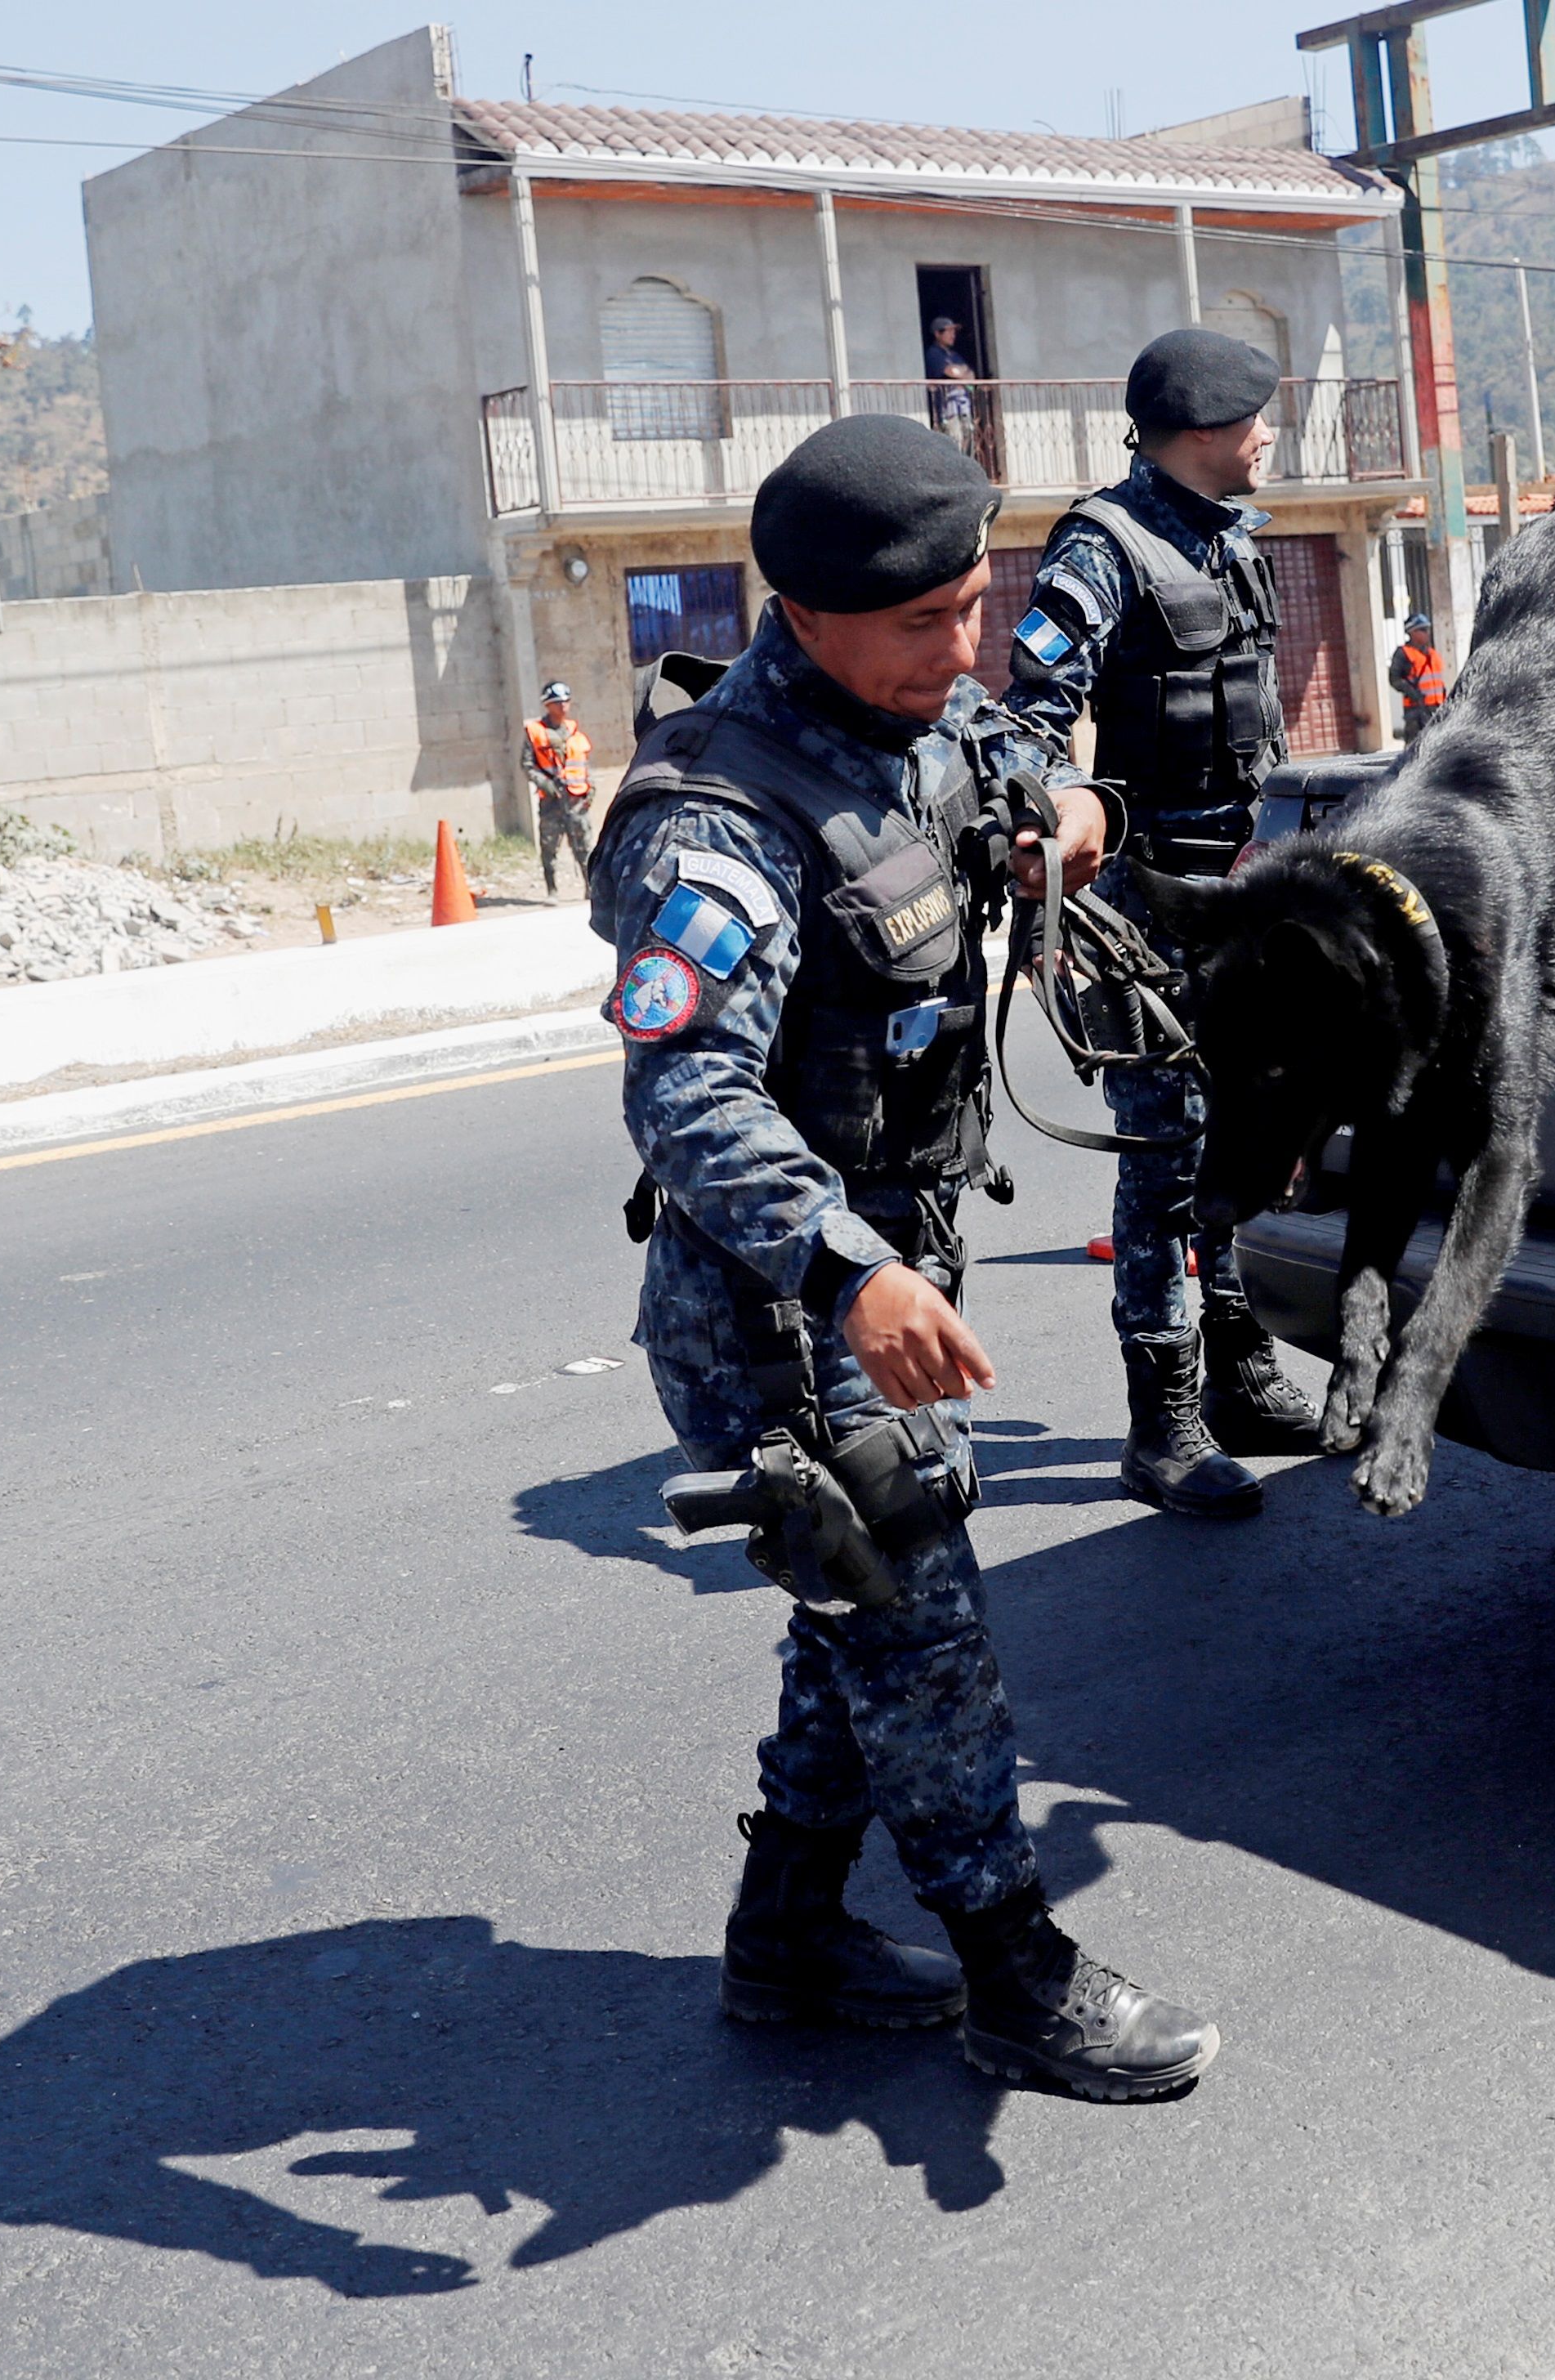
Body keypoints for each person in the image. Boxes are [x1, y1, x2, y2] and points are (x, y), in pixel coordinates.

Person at [587, 410, 1219, 2103]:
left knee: (851, 1620)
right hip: (778, 1315)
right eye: (925, 623)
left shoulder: (921, 709)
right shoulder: (715, 818)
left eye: (973, 605)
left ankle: (783, 1936)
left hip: (899, 1271)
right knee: (918, 1626)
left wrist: (1070, 806)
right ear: (803, 616)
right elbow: (687, 1092)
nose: (965, 647)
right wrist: (854, 1270)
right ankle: (1015, 1968)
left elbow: (1012, 757)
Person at [993, 324, 1324, 1519]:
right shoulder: (1104, 544)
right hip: (1145, 916)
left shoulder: (1231, 540)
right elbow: (1034, 712)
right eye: (1258, 421)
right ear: (1204, 431)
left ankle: (1241, 1378)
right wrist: (1046, 814)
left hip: (1238, 900)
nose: (1271, 439)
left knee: (1237, 1137)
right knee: (1167, 1154)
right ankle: (1163, 1424)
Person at [523, 682, 597, 898]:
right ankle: (552, 890)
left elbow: (584, 763)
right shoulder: (535, 732)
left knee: (583, 845)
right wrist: (545, 784)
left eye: (566, 701)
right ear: (547, 705)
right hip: (552, 800)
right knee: (549, 846)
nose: (563, 706)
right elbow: (528, 765)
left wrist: (590, 788)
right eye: (557, 702)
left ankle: (589, 888)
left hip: (577, 800)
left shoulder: (575, 733)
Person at [1387, 611, 1446, 742]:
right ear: (1412, 632)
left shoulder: (1432, 653)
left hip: (1437, 709)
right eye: (1423, 630)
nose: (1427, 633)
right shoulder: (1403, 654)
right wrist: (1412, 693)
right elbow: (1394, 679)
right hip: (1416, 711)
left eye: (1427, 629)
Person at [923, 316, 979, 447]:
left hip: (963, 406)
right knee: (954, 441)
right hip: (947, 410)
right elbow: (951, 371)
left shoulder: (955, 355)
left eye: (954, 331)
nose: (953, 335)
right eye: (949, 331)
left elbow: (971, 376)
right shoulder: (934, 353)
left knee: (968, 439)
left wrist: (960, 372)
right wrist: (960, 372)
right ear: (938, 334)